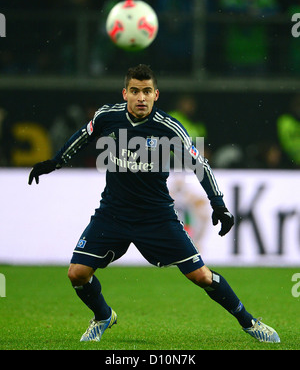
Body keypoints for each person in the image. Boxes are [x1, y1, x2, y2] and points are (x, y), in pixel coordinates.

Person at [28, 64, 280, 344]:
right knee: (77, 273)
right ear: (125, 93)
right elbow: (81, 137)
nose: (140, 97)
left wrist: (218, 204)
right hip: (113, 214)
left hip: (157, 217)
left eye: (147, 91)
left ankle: (250, 322)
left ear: (156, 95)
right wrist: (54, 163)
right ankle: (103, 316)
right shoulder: (107, 117)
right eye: (134, 91)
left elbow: (199, 164)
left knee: (202, 277)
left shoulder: (168, 127)